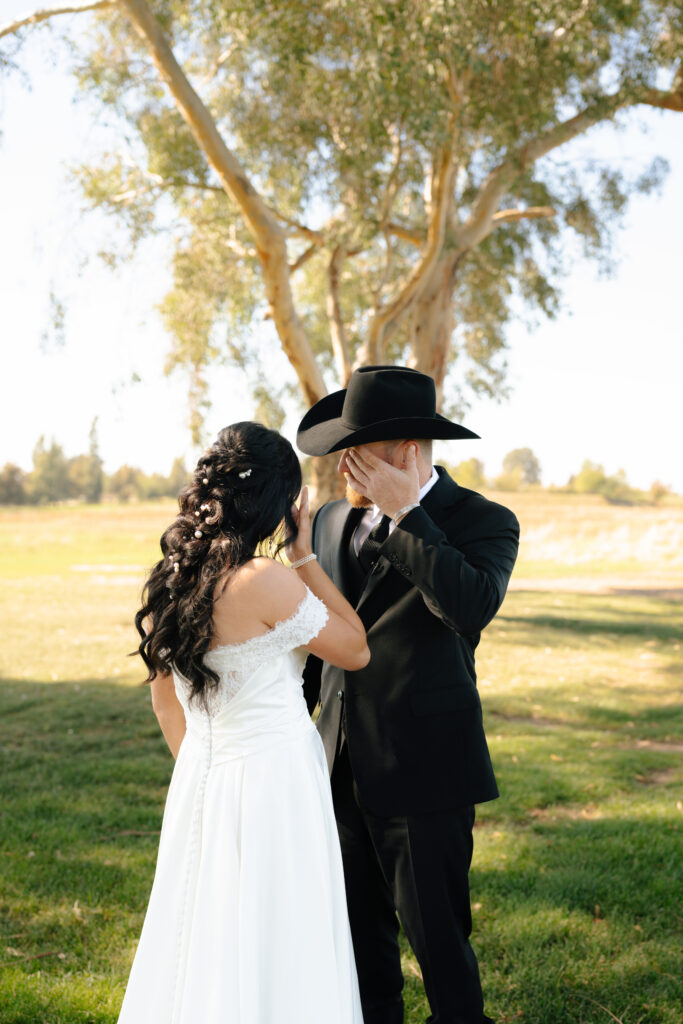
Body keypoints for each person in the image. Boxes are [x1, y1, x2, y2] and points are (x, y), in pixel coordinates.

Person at [118, 421, 368, 1024]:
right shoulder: (267, 581)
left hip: (202, 779)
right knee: (281, 931)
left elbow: (164, 703)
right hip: (276, 785)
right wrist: (304, 554)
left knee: (201, 933)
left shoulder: (169, 583)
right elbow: (356, 647)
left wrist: (208, 771)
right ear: (281, 503)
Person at [295, 365, 520, 1024]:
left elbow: (468, 608)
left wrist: (409, 514)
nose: (342, 469)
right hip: (338, 771)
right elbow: (325, 637)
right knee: (361, 953)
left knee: (440, 950)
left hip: (426, 772)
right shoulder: (332, 521)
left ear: (405, 450)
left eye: (355, 452)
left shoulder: (483, 520)